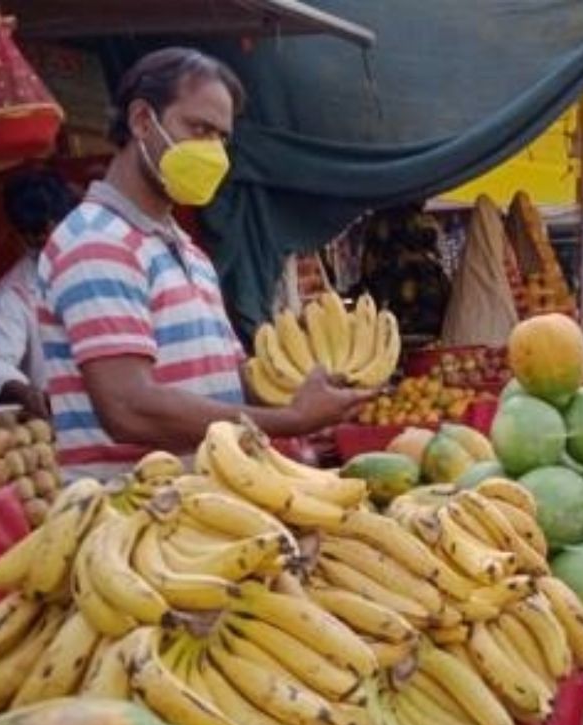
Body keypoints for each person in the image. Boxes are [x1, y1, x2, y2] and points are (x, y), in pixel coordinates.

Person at [38, 47, 371, 479]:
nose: (213, 152)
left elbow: (232, 381)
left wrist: (306, 386)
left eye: (221, 138)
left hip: (202, 512)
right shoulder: (96, 242)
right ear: (142, 121)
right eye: (199, 129)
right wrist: (292, 421)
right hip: (134, 522)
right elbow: (129, 409)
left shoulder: (188, 252)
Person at [0, 170, 76, 420]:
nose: (53, 243)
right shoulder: (11, 298)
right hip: (59, 428)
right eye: (41, 237)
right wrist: (26, 393)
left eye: (60, 231)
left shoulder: (108, 264)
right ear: (24, 237)